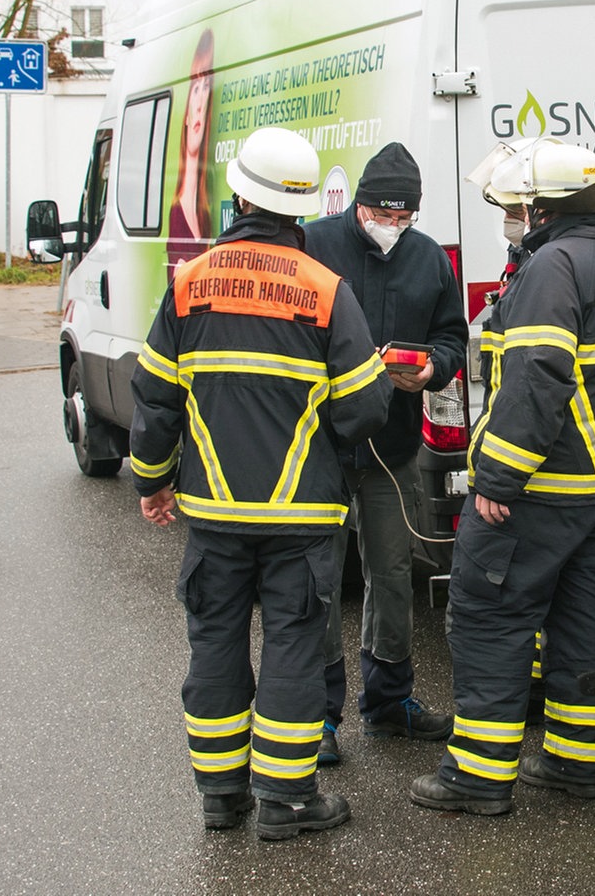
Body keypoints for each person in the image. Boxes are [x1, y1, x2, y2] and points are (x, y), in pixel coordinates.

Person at [409, 137, 595, 816]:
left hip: (541, 489)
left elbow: (535, 377)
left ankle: (478, 776)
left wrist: (499, 479)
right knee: (584, 618)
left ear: (539, 207)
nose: (511, 216)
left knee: (488, 617)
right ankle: (575, 763)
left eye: (515, 205)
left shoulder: (551, 267)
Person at [130, 125, 392, 841]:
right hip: (301, 516)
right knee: (294, 648)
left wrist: (152, 483)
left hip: (212, 512)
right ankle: (287, 801)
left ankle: (222, 797)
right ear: (302, 207)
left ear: (240, 193)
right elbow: (367, 405)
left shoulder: (190, 285)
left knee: (213, 644)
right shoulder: (325, 291)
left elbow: (154, 400)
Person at [300, 142, 467, 753]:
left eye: (405, 219)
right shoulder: (315, 247)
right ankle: (318, 716)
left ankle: (389, 699)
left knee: (392, 574)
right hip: (321, 444)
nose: (393, 228)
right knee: (315, 580)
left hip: (390, 447)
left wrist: (431, 370)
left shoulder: (428, 260)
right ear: (361, 206)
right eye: (383, 215)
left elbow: (452, 335)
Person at [165, 29, 218, 272]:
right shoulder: (177, 215)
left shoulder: (205, 213)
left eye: (206, 88)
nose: (200, 104)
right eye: (195, 89)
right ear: (185, 114)